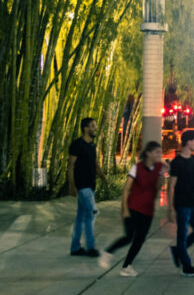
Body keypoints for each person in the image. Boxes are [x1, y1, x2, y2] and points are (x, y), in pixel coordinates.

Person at [100, 141, 167, 276]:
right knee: (129, 237)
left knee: (140, 239)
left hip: (148, 210)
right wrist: (124, 208)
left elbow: (158, 186)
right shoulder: (137, 167)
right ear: (148, 153)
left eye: (160, 152)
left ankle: (126, 266)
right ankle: (108, 252)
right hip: (133, 207)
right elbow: (126, 189)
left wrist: (162, 174)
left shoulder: (160, 167)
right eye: (157, 152)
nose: (159, 155)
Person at [168, 129, 194, 277]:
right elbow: (171, 186)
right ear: (188, 142)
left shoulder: (193, 159)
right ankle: (186, 266)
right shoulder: (176, 162)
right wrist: (170, 209)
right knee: (182, 236)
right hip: (182, 205)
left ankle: (178, 250)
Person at [68, 117, 106, 257]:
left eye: (95, 125)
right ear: (85, 128)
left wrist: (102, 177)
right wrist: (72, 186)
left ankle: (75, 248)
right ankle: (90, 248)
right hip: (82, 186)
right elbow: (70, 166)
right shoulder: (77, 144)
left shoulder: (92, 145)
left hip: (90, 185)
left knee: (80, 217)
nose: (95, 128)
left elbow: (94, 163)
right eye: (92, 126)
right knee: (91, 214)